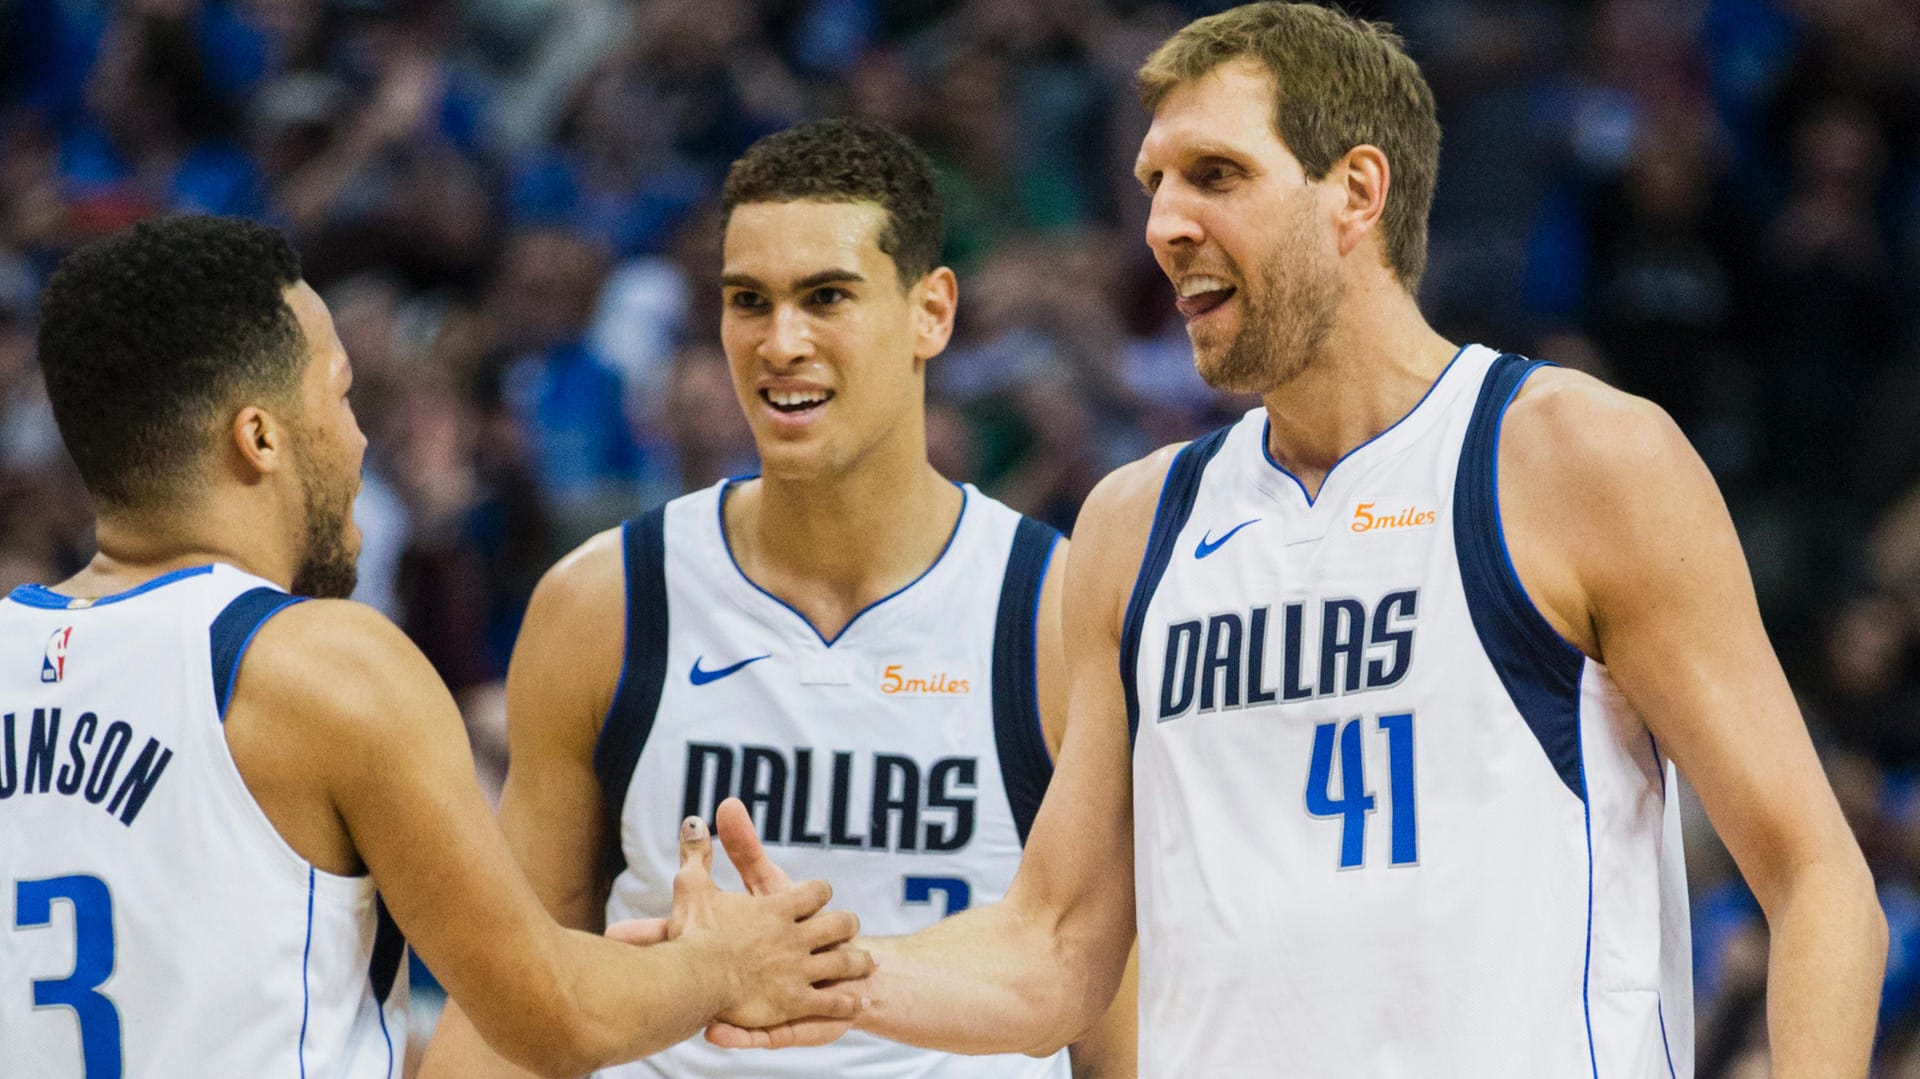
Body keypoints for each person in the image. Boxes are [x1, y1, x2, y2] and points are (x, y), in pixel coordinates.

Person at [703, 5, 1888, 1076]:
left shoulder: (1572, 458)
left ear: (1356, 192)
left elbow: (1817, 878)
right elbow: (1057, 946)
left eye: (1215, 173)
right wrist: (814, 971)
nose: (1164, 223)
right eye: (1153, 182)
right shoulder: (1134, 522)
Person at [0, 214, 870, 1079]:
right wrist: (730, 962)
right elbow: (554, 1013)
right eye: (341, 397)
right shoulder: (320, 664)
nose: (360, 437)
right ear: (259, 437)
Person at [420, 118, 1135, 1078]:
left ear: (932, 311)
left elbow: (1111, 1015)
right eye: (748, 301)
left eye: (827, 296)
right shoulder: (606, 601)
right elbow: (515, 998)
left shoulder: (1054, 607)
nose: (780, 342)